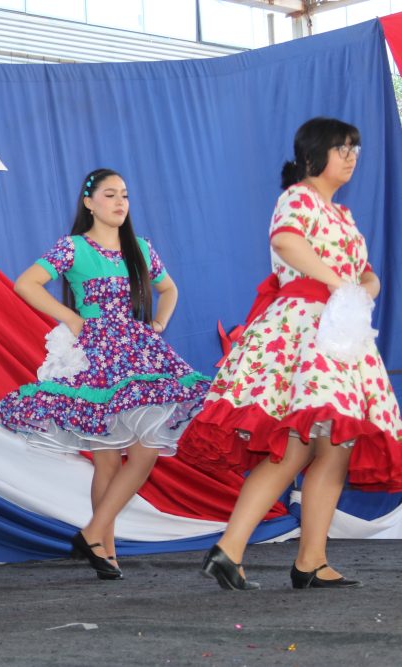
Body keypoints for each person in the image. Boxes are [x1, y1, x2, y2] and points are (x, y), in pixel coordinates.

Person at [179, 118, 402, 590]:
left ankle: (303, 560)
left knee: (332, 447)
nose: (351, 156)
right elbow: (286, 241)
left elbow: (366, 274)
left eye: (355, 149)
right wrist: (341, 284)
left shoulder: (343, 216)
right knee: (298, 444)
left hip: (342, 333)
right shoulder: (298, 197)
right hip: (305, 328)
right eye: (342, 148)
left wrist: (363, 289)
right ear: (312, 155)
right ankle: (237, 548)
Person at [0, 168, 209, 580]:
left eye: (125, 195)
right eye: (110, 195)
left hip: (139, 353)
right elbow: (27, 283)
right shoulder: (74, 247)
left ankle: (93, 532)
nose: (120, 202)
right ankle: (104, 548)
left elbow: (170, 289)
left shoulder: (141, 249)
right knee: (107, 459)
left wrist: (159, 324)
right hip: (98, 354)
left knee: (147, 446)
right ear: (89, 203)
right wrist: (71, 318)